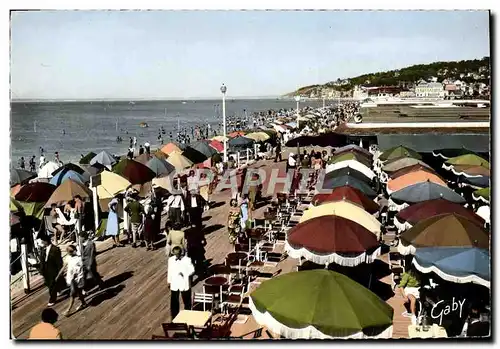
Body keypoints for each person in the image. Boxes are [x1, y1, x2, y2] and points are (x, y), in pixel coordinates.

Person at [58, 245, 87, 316]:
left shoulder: (79, 259)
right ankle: (83, 303)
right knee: (79, 293)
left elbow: (81, 269)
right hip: (71, 279)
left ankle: (68, 310)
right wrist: (59, 275)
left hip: (76, 279)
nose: (68, 253)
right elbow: (65, 266)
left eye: (69, 251)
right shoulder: (68, 258)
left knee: (72, 294)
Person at [167, 246, 195, 319]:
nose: (176, 255)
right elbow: (169, 271)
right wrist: (169, 281)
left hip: (184, 283)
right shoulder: (170, 260)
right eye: (175, 254)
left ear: (180, 253)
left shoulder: (187, 260)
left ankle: (187, 316)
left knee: (187, 301)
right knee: (174, 302)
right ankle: (174, 317)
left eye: (178, 254)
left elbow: (192, 270)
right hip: (175, 283)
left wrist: (185, 273)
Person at [39, 236, 64, 306]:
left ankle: (52, 299)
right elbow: (42, 261)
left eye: (43, 241)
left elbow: (59, 261)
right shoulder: (43, 250)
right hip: (46, 269)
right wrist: (42, 270)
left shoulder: (55, 249)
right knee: (48, 283)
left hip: (53, 269)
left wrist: (60, 270)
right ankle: (58, 289)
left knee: (52, 285)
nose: (42, 242)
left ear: (46, 241)